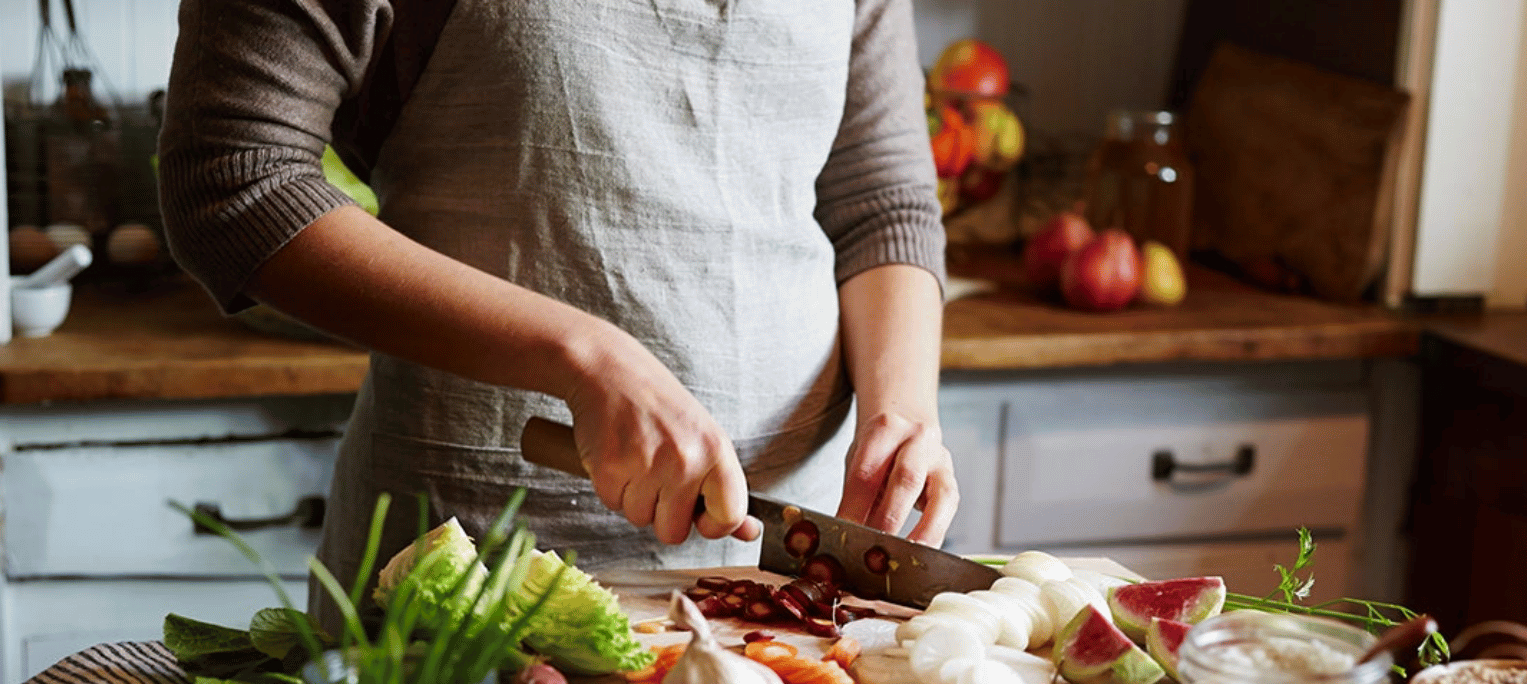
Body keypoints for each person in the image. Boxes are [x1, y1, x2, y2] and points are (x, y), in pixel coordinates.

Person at [159, 0, 957, 632]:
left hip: (789, 568)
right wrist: (584, 357)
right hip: (475, 560)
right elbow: (236, 180)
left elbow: (879, 200)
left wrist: (903, 408)